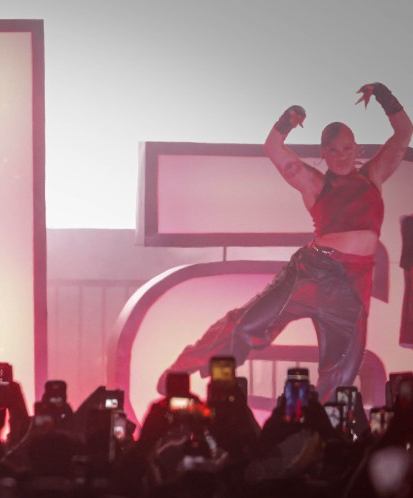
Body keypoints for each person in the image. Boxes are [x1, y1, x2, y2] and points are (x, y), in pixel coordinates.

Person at [160, 83, 412, 402]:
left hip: (353, 286)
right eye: (333, 150)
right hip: (313, 272)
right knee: (246, 324)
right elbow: (273, 148)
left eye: (347, 148)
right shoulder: (315, 183)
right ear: (323, 153)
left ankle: (320, 438)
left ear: (357, 148)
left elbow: (403, 132)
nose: (341, 156)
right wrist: (288, 120)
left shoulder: (373, 176)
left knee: (343, 374)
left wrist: (382, 94)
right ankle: (184, 367)